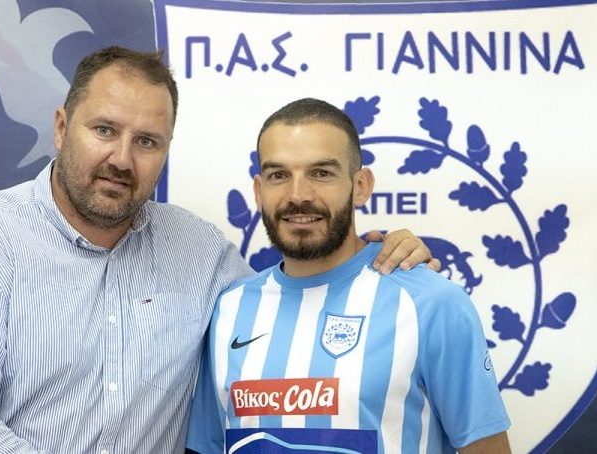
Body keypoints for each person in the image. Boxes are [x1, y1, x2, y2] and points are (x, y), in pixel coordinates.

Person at [0, 48, 435, 454]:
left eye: (147, 142)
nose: (121, 159)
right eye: (104, 130)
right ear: (62, 128)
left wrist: (374, 260)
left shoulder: (202, 255)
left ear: (166, 151)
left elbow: (287, 310)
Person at [186, 98, 511, 454]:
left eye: (321, 173)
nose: (298, 195)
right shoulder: (228, 309)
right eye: (279, 175)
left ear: (361, 186)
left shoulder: (431, 303)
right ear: (259, 191)